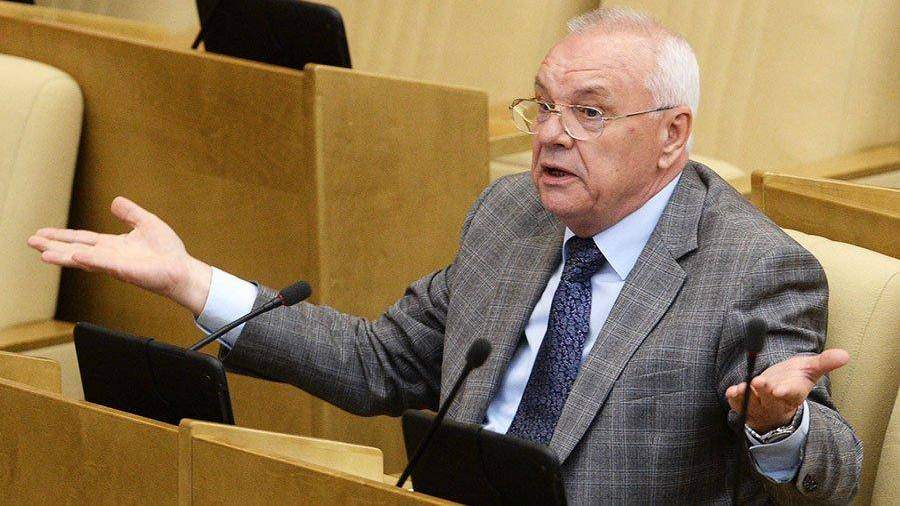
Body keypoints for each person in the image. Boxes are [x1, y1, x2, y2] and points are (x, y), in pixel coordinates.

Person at [28, 7, 861, 504]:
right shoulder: (511, 215)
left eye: (589, 113)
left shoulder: (752, 268)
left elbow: (835, 470)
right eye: (542, 106)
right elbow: (378, 361)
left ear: (673, 135)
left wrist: (779, 426)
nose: (550, 135)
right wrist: (191, 282)